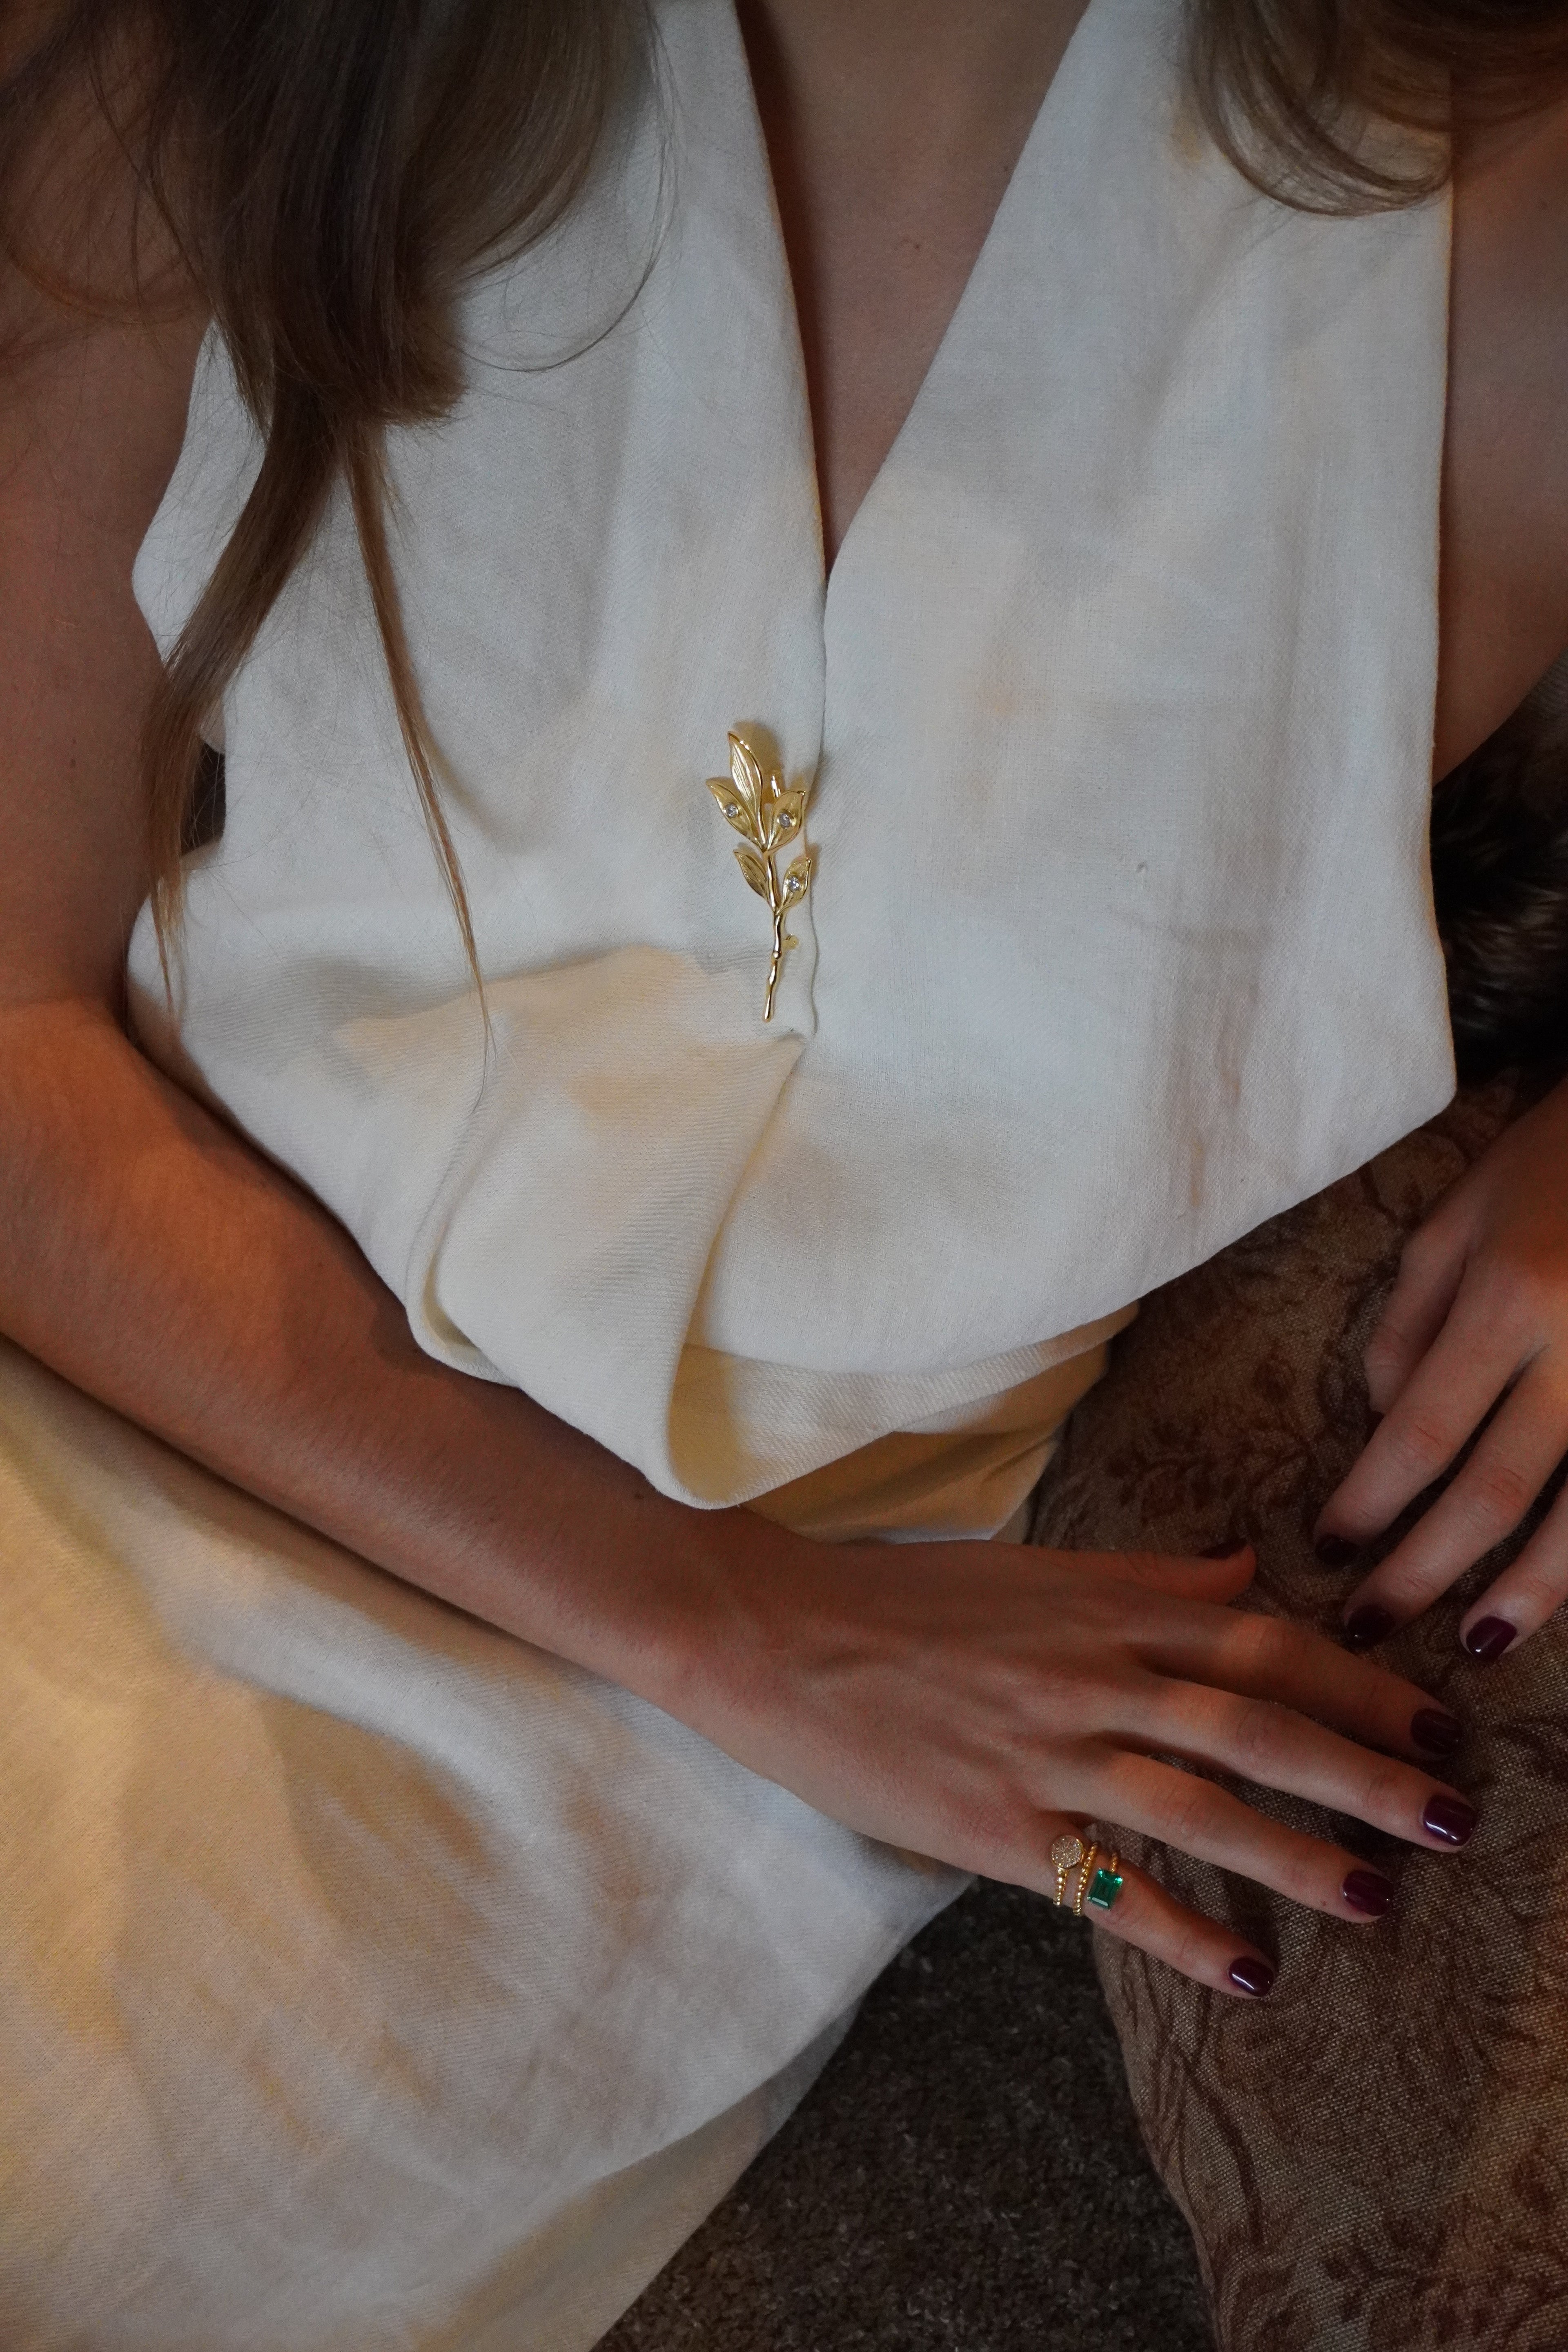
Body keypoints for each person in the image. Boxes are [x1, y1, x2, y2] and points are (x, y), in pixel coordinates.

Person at [4, 0, 1568, 2342]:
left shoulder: (1495, 231)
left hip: (614, 1755)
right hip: (155, 1360)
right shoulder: (235, 65)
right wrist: (719, 1621)